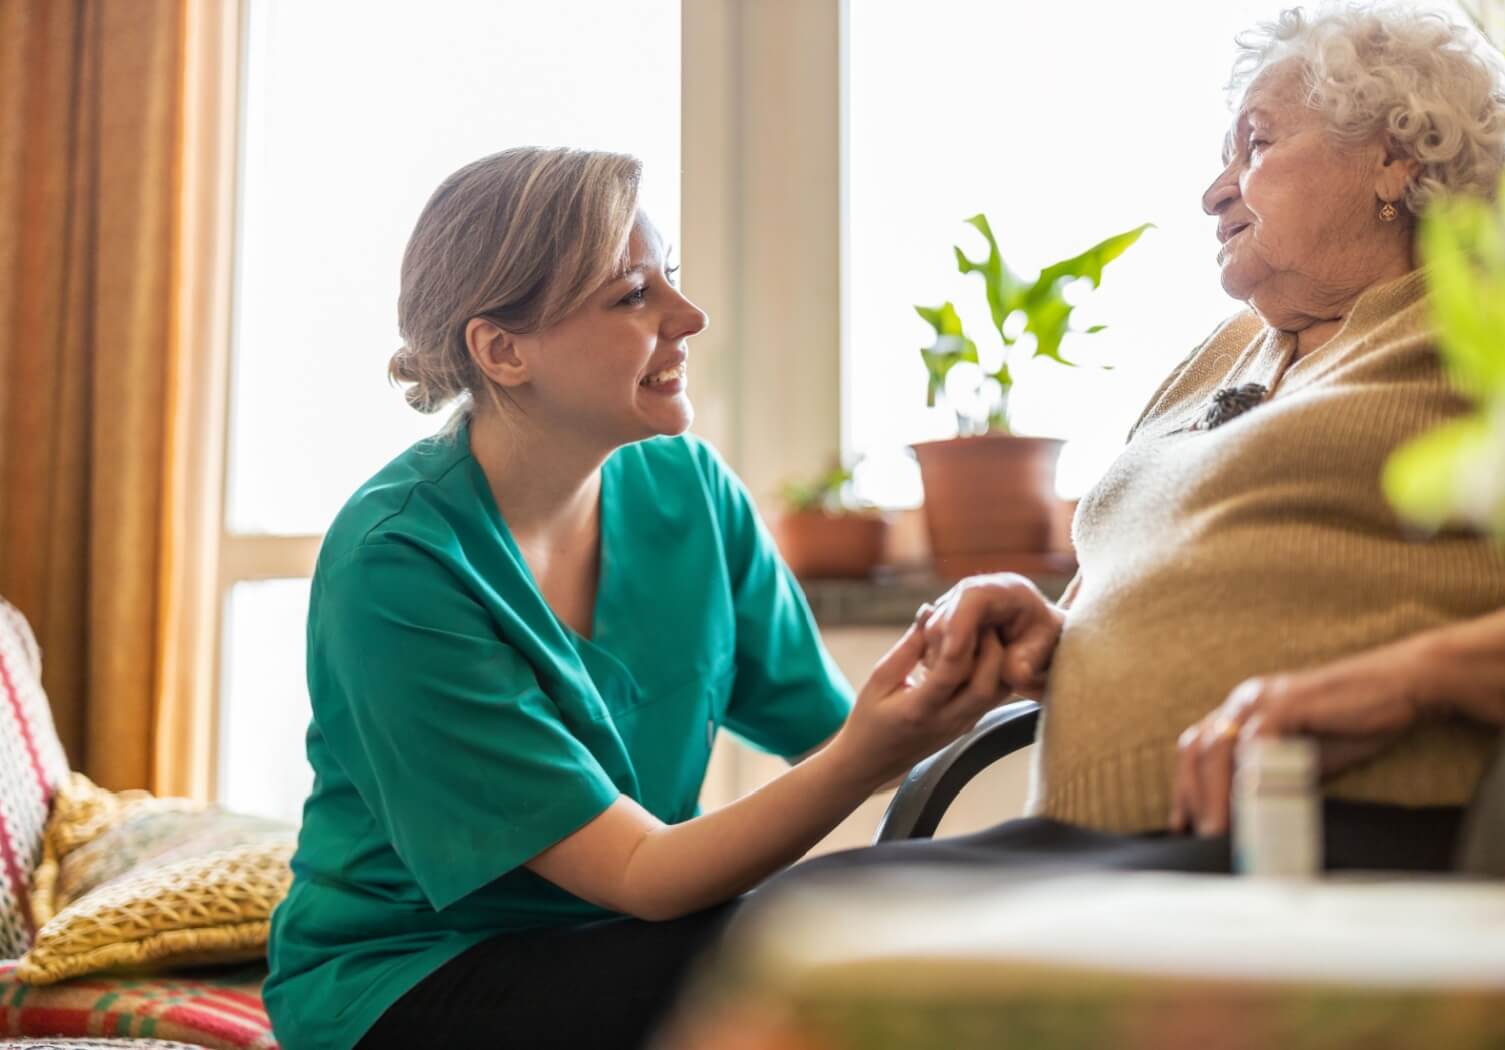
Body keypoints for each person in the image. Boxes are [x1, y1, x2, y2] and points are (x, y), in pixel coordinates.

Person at [764, 2, 1505, 886]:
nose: (1214, 190)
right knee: (792, 919)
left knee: (805, 931)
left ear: (1392, 155)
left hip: (1344, 830)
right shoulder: (1224, 352)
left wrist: (1412, 677)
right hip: (1111, 843)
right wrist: (1055, 631)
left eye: (1257, 145)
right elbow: (1203, 578)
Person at [262, 148, 1013, 1050]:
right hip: (411, 977)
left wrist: (979, 656)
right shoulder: (398, 564)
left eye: (674, 281)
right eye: (631, 296)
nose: (689, 318)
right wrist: (869, 749)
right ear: (503, 350)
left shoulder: (689, 490)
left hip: (619, 939)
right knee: (795, 947)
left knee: (889, 919)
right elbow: (643, 871)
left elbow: (834, 727)